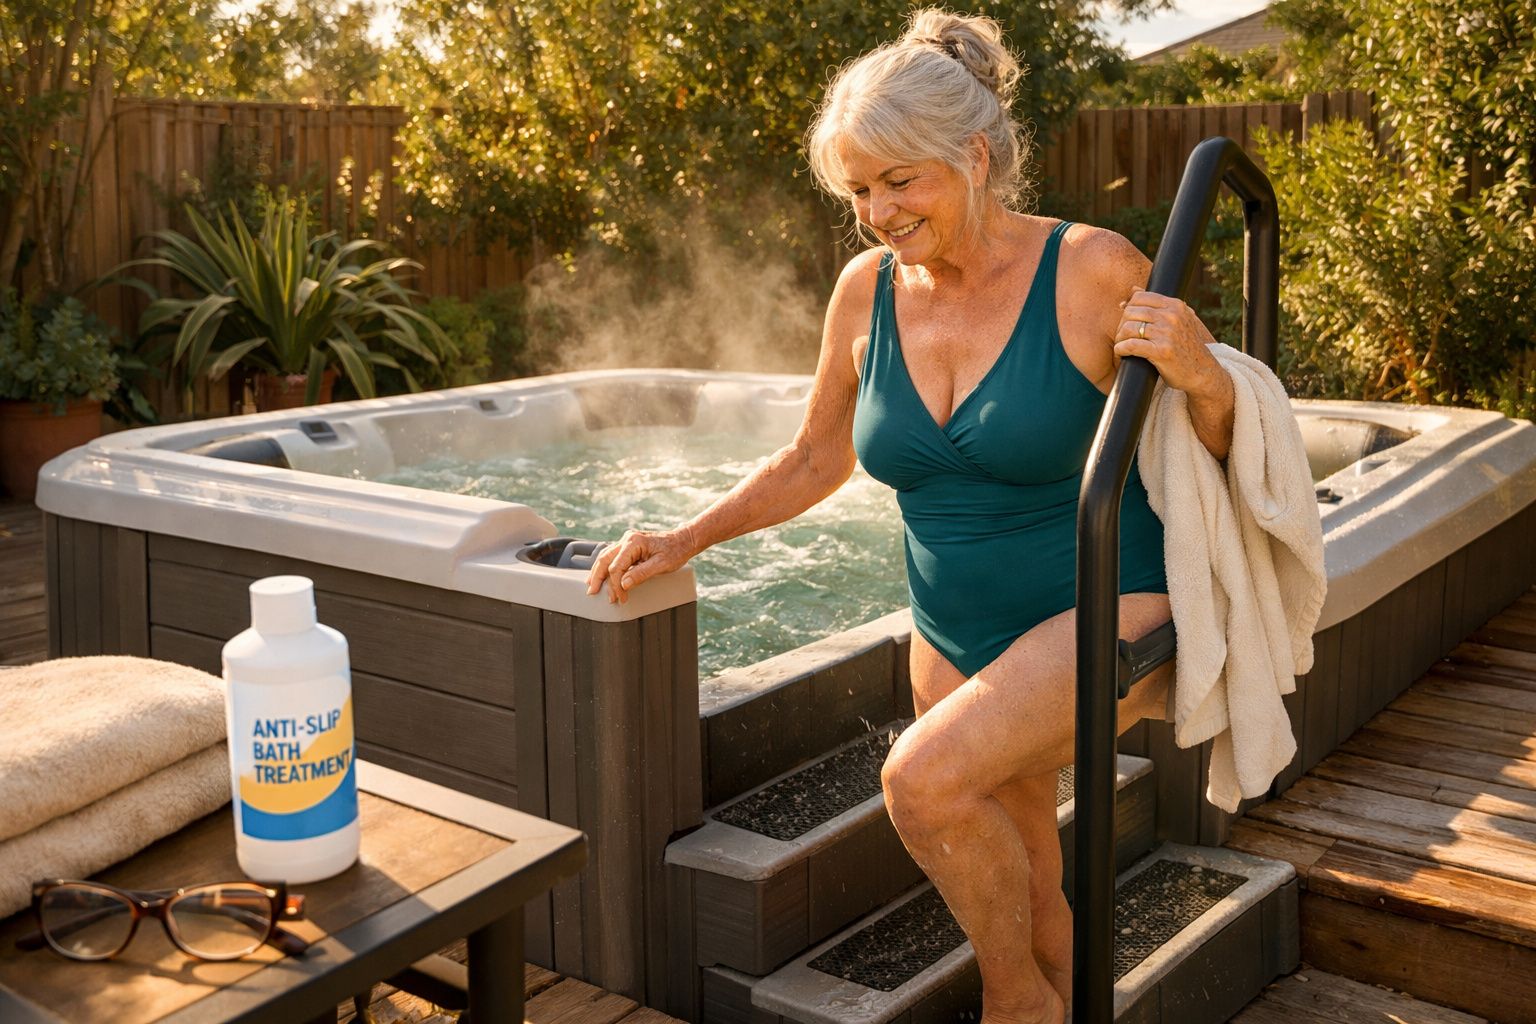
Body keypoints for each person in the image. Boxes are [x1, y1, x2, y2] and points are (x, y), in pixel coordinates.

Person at [585, 10, 1235, 1024]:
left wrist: (1206, 376)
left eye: (899, 181)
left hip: (1104, 611)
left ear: (973, 157)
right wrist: (686, 536)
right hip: (953, 635)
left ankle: (1015, 1007)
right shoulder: (865, 293)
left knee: (920, 784)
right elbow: (815, 458)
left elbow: (1214, 458)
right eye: (858, 190)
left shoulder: (1091, 269)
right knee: (1032, 885)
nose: (877, 212)